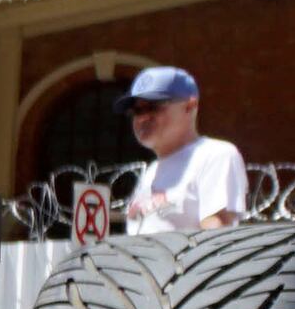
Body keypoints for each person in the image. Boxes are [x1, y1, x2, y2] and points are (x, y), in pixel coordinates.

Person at [104, 64, 248, 236]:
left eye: (153, 106)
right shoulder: (152, 170)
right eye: (137, 110)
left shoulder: (214, 155)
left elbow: (216, 234)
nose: (142, 118)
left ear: (189, 106)